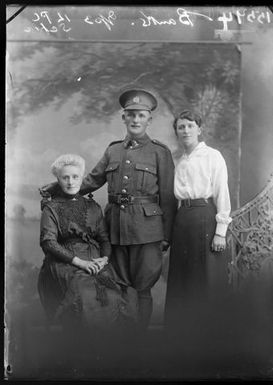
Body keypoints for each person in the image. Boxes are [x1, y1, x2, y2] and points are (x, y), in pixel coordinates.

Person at [40, 89, 177, 331]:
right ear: (124, 118)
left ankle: (141, 341)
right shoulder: (113, 150)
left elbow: (167, 197)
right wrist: (55, 187)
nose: (135, 120)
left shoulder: (159, 152)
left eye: (141, 115)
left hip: (148, 231)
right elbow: (92, 181)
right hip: (116, 228)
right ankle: (122, 339)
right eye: (131, 115)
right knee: (119, 283)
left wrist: (166, 236)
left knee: (143, 286)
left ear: (149, 119)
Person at [38, 154, 138, 336]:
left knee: (117, 292)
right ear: (58, 180)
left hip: (96, 260)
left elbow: (104, 239)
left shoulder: (93, 207)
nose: (70, 182)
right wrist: (80, 263)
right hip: (64, 262)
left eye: (75, 177)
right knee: (85, 292)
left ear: (82, 178)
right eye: (65, 177)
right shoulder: (51, 208)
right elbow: (49, 242)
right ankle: (87, 347)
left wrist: (104, 259)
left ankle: (112, 349)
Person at [164, 110, 232, 334]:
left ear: (199, 129)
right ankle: (181, 333)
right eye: (181, 127)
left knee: (206, 275)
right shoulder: (180, 160)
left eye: (190, 126)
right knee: (183, 276)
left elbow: (222, 192)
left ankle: (209, 334)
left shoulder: (213, 155)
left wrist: (220, 231)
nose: (185, 131)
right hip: (183, 219)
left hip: (205, 216)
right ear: (176, 132)